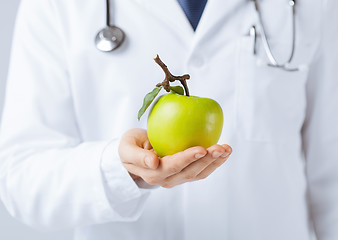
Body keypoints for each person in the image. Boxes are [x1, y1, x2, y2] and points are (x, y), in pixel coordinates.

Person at [0, 0, 337, 239]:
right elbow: (20, 177)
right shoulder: (55, 6)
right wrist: (119, 171)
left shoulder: (313, 5)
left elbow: (331, 175)